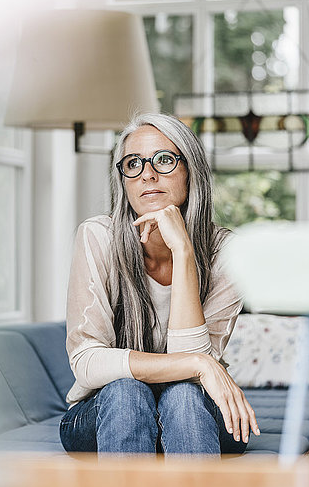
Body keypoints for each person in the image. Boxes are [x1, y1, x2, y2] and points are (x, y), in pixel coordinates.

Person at [59, 112, 260, 457]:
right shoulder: (98, 237)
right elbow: (87, 361)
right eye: (133, 163)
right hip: (106, 414)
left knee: (182, 396)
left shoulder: (225, 253)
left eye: (164, 160)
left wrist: (182, 251)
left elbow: (189, 380)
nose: (147, 174)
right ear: (122, 179)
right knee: (125, 392)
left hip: (194, 414)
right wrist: (200, 363)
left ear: (190, 171)